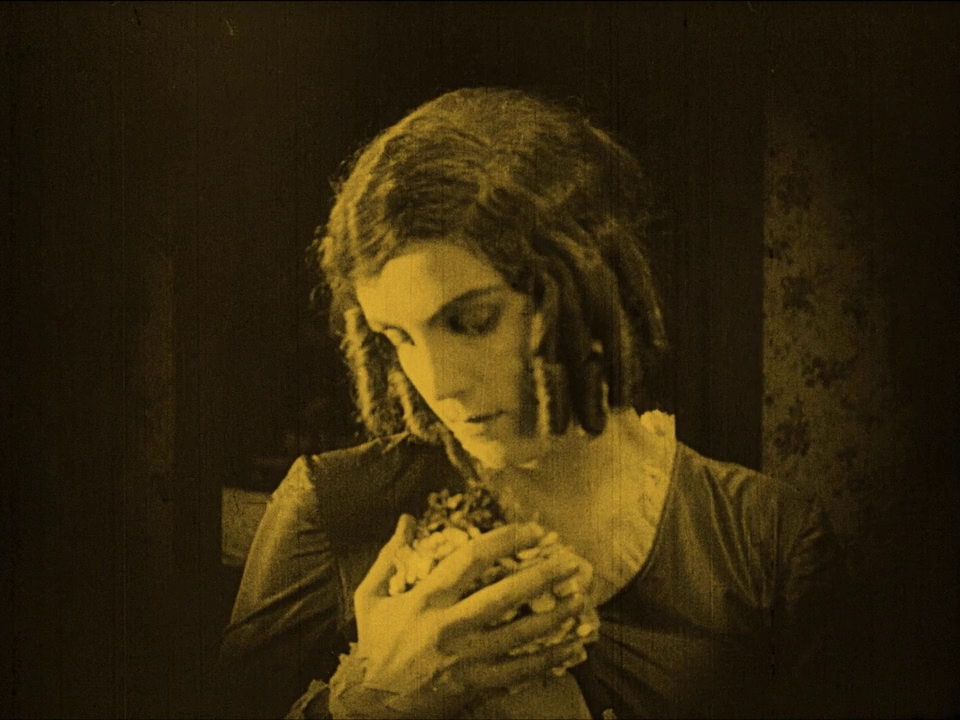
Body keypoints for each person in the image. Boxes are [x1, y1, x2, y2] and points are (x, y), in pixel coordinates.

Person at [218, 87, 848, 719]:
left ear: (583, 283)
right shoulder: (332, 509)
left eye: (472, 321)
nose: (438, 383)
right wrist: (371, 703)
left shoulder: (765, 539)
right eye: (399, 337)